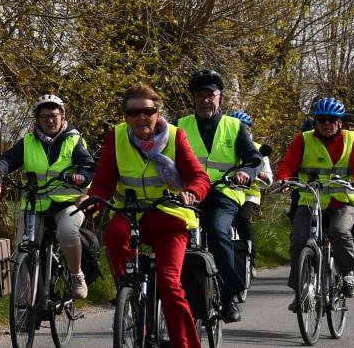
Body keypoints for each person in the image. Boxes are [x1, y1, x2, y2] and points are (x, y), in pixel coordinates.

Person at [84, 84, 210, 348]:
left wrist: (190, 193)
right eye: (133, 112)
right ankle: (128, 294)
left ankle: (185, 344)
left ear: (157, 112)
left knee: (169, 284)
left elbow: (199, 177)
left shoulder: (176, 136)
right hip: (131, 213)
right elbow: (104, 181)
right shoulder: (116, 136)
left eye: (148, 111)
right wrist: (92, 200)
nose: (141, 117)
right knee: (114, 235)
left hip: (169, 216)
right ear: (125, 116)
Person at [178, 70, 263, 321]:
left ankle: (228, 297)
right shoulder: (180, 125)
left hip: (223, 194)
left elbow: (254, 158)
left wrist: (247, 171)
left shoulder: (234, 126)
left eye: (211, 95)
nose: (206, 100)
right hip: (189, 195)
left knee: (217, 232)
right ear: (193, 98)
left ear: (220, 98)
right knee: (173, 236)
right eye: (200, 95)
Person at [272, 96, 354, 304]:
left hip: (343, 200)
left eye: (332, 120)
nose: (327, 124)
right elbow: (288, 162)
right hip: (310, 200)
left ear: (340, 122)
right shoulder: (303, 139)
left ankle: (348, 274)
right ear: (315, 121)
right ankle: (301, 291)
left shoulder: (353, 139)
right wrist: (283, 180)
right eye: (322, 120)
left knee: (339, 231)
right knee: (299, 239)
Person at [0, 93, 94, 299]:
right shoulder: (28, 142)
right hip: (35, 205)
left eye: (54, 115)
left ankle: (76, 275)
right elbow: (7, 160)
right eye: (45, 116)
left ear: (62, 116)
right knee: (22, 248)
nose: (50, 120)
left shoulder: (74, 140)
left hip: (66, 204)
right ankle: (23, 303)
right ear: (37, 120)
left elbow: (89, 168)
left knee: (67, 232)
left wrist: (81, 177)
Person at [226, 109, 271, 300]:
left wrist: (259, 176)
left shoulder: (258, 148)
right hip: (228, 193)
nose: (241, 129)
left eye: (244, 127)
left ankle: (250, 258)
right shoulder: (225, 144)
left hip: (248, 196)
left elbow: (268, 179)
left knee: (243, 220)